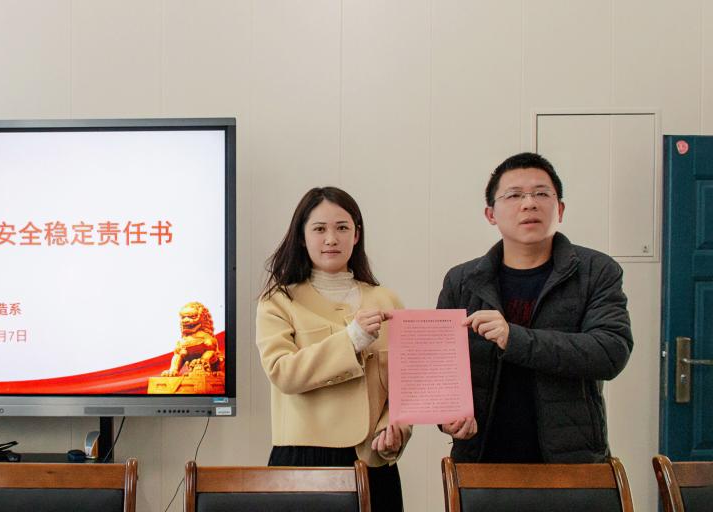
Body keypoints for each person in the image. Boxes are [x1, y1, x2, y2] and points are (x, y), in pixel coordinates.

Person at [437, 152, 633, 463]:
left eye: (541, 194)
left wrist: (513, 338)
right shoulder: (462, 281)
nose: (529, 204)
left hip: (572, 460)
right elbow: (441, 367)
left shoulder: (596, 271)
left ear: (560, 209)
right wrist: (447, 416)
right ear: (490, 214)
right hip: (482, 457)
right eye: (514, 195)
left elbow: (610, 352)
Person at [256, 186, 409, 512]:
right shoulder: (278, 301)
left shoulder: (387, 300)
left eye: (342, 228)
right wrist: (351, 339)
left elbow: (405, 385)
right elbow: (282, 372)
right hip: (303, 460)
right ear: (302, 237)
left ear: (357, 235)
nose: (331, 239)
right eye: (319, 229)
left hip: (372, 459)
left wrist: (394, 429)